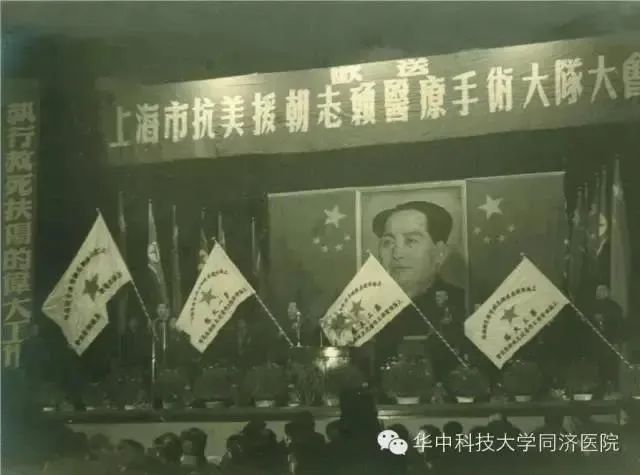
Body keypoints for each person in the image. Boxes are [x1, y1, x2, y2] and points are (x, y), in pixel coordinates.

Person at [372, 201, 466, 380]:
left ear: (440, 253)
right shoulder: (363, 307)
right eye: (388, 242)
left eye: (411, 241)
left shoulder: (463, 305)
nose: (397, 253)